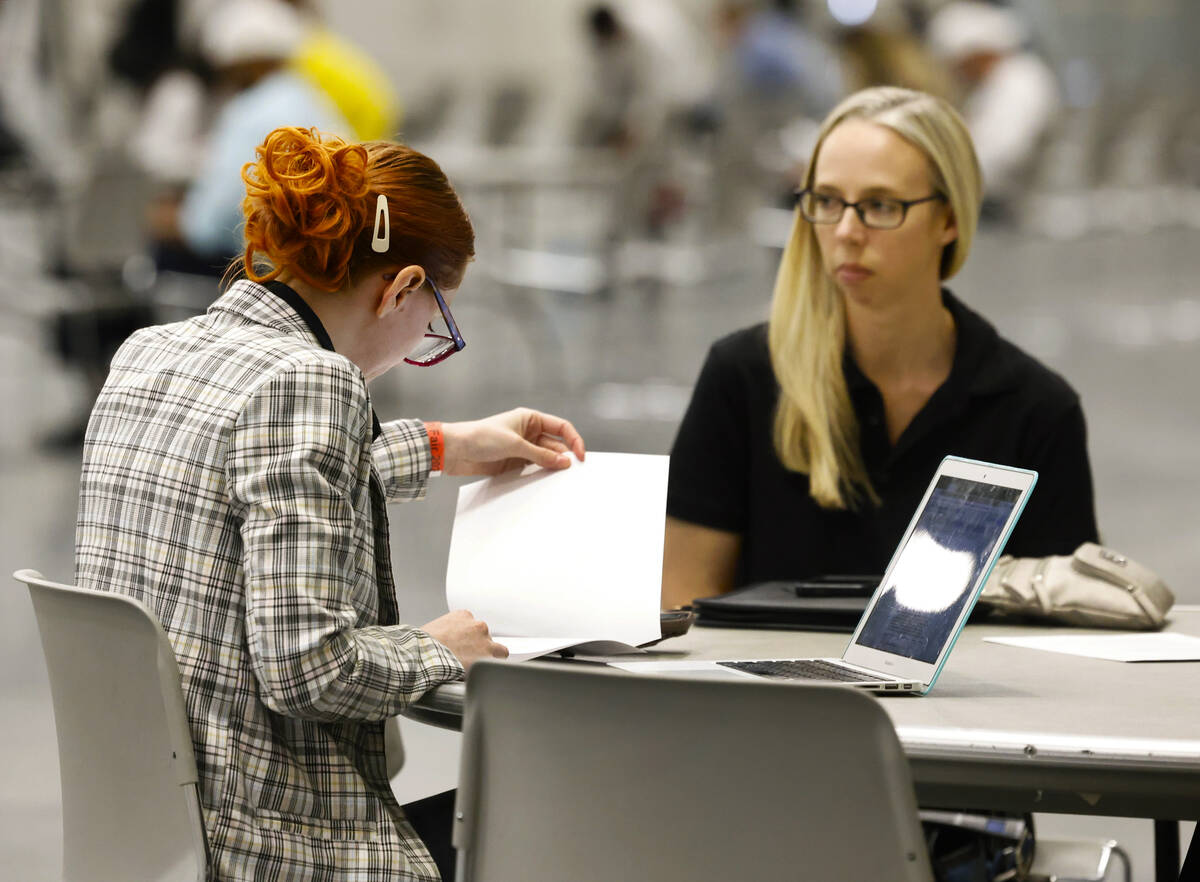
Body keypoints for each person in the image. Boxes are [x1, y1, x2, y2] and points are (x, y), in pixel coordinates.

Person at [76, 124, 587, 881]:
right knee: (569, 827)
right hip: (277, 849)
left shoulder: (151, 350)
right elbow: (308, 668)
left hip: (159, 836)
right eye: (436, 320)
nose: (424, 336)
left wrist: (448, 445)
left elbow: (249, 486)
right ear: (403, 287)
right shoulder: (311, 381)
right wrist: (439, 646)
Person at [662, 86, 1098, 610]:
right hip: (768, 692)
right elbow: (684, 607)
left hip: (969, 694)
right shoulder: (744, 377)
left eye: (880, 206)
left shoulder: (1034, 410)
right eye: (826, 201)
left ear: (951, 218)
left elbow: (1064, 627)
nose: (846, 231)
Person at [927, 0, 1060, 216]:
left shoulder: (1021, 82)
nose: (958, 75)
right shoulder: (993, 86)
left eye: (958, 65)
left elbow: (1000, 155)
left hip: (1010, 211)